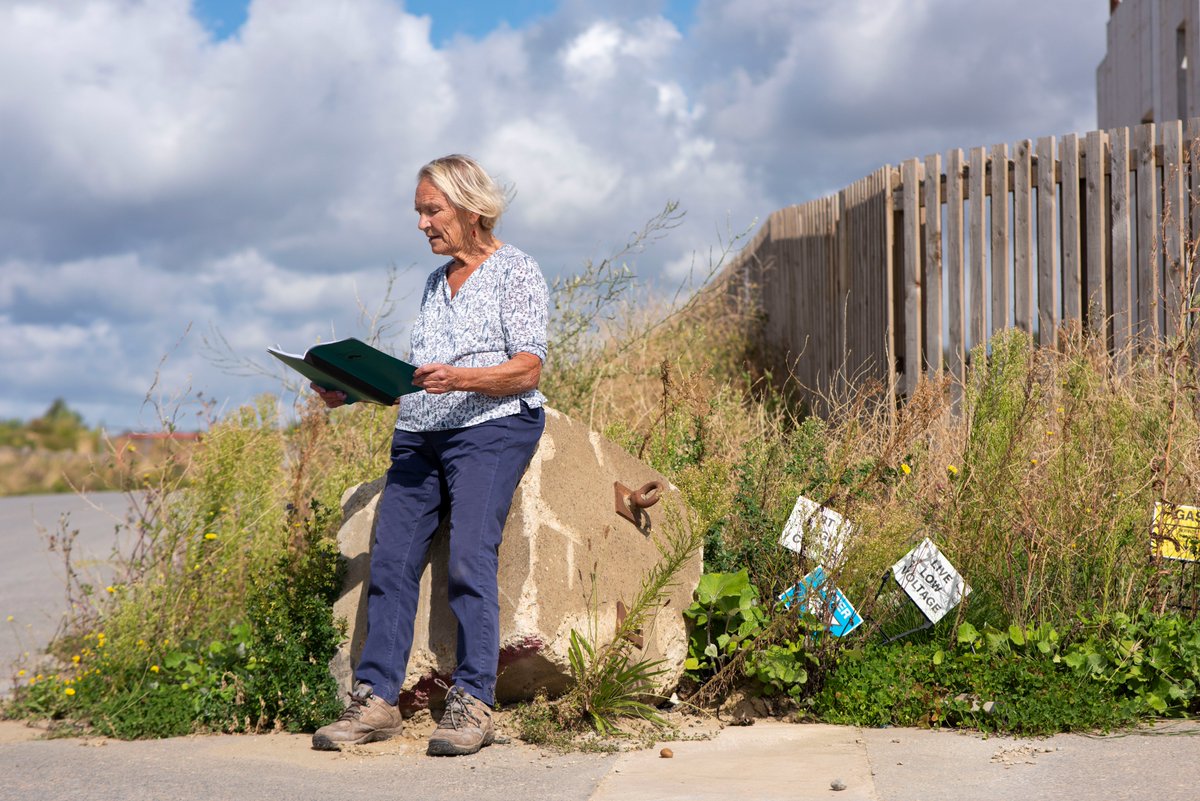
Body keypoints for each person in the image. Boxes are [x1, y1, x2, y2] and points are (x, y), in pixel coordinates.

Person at [310, 154, 548, 756]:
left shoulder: (517, 270)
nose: (421, 224)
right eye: (419, 211)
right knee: (389, 563)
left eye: (431, 210)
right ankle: (377, 702)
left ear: (471, 210)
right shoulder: (433, 283)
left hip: (492, 425)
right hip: (422, 429)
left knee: (469, 557)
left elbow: (527, 368)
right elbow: (420, 380)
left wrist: (462, 380)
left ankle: (474, 702)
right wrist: (355, 390)